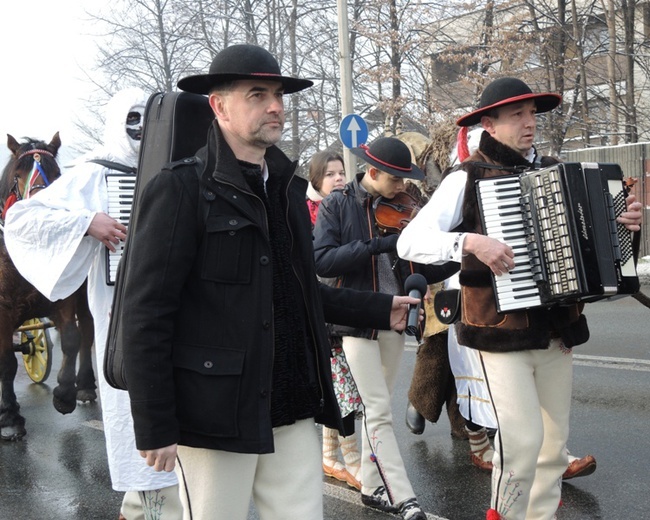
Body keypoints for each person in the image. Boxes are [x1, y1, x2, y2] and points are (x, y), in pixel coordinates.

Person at [117, 44, 421, 520]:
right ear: (219, 106)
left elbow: (298, 293)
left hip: (293, 403)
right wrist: (154, 422)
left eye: (278, 94)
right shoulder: (180, 189)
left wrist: (382, 309)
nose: (275, 105)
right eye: (257, 94)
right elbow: (146, 314)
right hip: (215, 415)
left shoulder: (286, 189)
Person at [397, 77, 643, 520]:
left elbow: (598, 255)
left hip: (557, 330)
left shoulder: (557, 169)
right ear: (489, 124)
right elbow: (409, 243)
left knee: (552, 444)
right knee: (521, 441)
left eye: (532, 114)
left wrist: (624, 228)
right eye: (518, 115)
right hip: (499, 333)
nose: (530, 123)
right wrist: (472, 242)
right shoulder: (467, 177)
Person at [4, 88, 183, 520]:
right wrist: (86, 222)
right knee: (136, 403)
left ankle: (157, 504)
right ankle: (146, 506)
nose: (141, 130)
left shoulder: (180, 167)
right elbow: (23, 218)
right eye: (132, 120)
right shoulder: (93, 174)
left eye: (149, 120)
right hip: (122, 307)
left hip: (181, 307)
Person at [313, 136, 458, 520]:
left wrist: (459, 254)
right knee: (377, 410)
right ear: (373, 173)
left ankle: (374, 488)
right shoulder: (337, 203)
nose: (403, 187)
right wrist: (378, 244)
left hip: (395, 319)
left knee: (378, 409)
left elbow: (425, 268)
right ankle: (402, 495)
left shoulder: (406, 207)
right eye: (396, 179)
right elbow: (323, 261)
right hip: (355, 320)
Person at [306, 150, 361, 490]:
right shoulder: (306, 213)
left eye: (341, 172)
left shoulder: (347, 209)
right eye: (330, 174)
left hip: (345, 306)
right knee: (342, 389)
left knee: (340, 389)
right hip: (320, 313)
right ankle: (351, 459)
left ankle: (329, 456)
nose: (339, 179)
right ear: (316, 181)